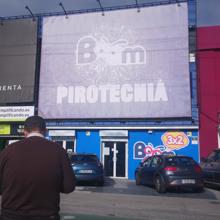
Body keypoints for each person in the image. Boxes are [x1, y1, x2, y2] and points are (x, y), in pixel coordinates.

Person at [0, 116, 76, 220]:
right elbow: (69, 187)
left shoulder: (8, 151)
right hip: (46, 216)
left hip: (11, 216)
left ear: (24, 131)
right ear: (45, 131)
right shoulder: (59, 151)